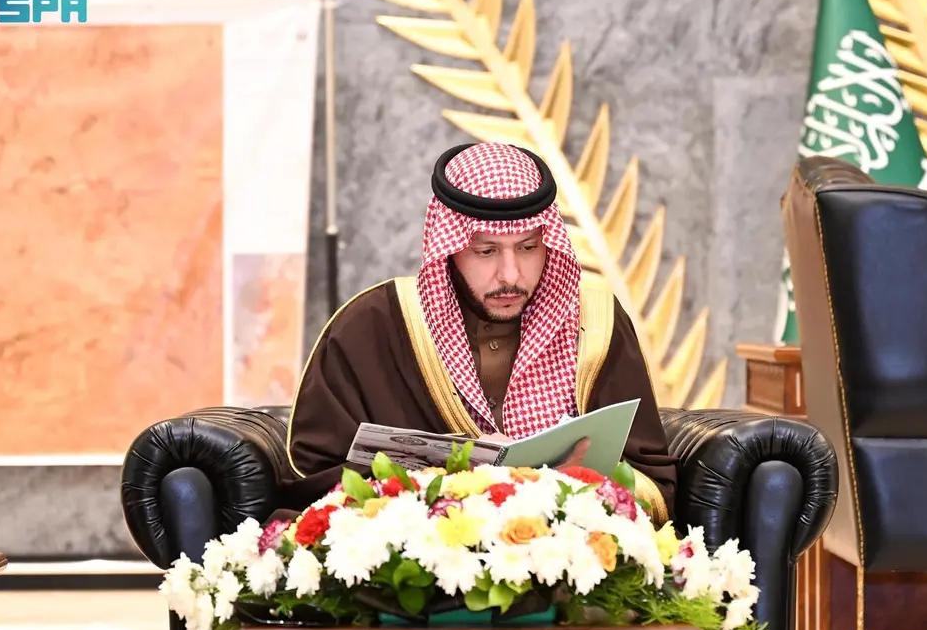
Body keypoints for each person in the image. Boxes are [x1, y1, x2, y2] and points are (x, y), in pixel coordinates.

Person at [279, 142, 677, 525]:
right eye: (486, 251)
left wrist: (570, 487)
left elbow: (654, 485)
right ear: (449, 247)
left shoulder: (596, 321)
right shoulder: (370, 327)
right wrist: (458, 482)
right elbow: (313, 486)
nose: (510, 275)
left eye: (528, 248)